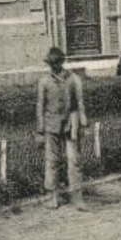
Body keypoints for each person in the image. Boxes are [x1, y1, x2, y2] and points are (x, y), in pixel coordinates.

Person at [36, 46, 88, 209]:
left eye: (57, 62)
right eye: (52, 63)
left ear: (62, 62)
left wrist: (83, 122)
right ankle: (52, 196)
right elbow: (40, 105)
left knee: (74, 160)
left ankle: (77, 197)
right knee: (52, 161)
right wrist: (40, 129)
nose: (55, 66)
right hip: (51, 124)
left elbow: (80, 102)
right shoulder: (44, 81)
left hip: (70, 123)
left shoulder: (73, 79)